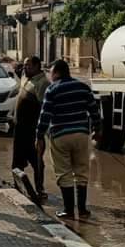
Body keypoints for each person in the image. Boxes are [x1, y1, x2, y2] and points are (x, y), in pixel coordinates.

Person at [36, 59, 101, 220]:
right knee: (81, 171)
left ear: (57, 72)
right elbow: (94, 111)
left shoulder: (52, 89)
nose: (50, 75)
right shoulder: (83, 87)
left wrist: (39, 136)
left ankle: (69, 210)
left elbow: (45, 116)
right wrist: (97, 130)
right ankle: (83, 210)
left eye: (51, 72)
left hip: (60, 135)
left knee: (64, 173)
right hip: (81, 135)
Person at [12, 56, 49, 199]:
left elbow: (44, 108)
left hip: (32, 129)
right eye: (25, 65)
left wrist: (41, 132)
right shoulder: (26, 77)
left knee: (36, 160)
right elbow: (17, 69)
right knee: (17, 159)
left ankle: (40, 189)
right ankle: (17, 186)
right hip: (19, 128)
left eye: (28, 66)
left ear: (37, 66)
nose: (25, 68)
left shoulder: (42, 83)